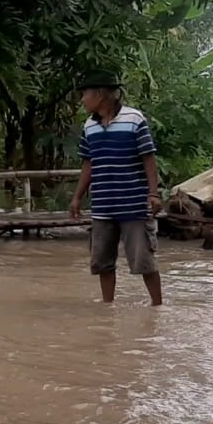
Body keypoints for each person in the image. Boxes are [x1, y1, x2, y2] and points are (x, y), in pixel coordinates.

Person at [68, 70, 164, 306]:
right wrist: (77, 197)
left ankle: (157, 308)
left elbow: (148, 158)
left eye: (85, 94)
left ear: (100, 94)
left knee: (144, 262)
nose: (82, 100)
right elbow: (88, 164)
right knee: (102, 262)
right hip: (103, 205)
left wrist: (153, 193)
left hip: (134, 204)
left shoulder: (135, 119)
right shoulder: (89, 126)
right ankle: (107, 306)